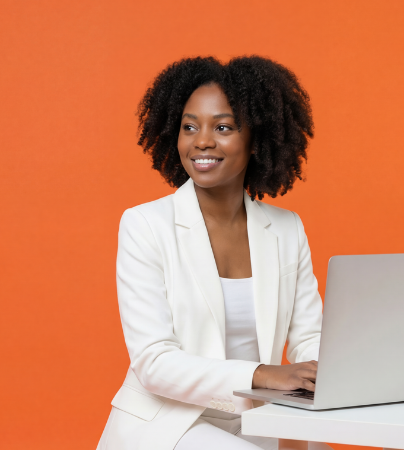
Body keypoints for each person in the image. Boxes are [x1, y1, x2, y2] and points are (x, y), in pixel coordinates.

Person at [97, 56, 330, 450]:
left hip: (257, 418)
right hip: (169, 424)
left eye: (222, 127)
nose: (202, 141)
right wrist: (264, 374)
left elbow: (309, 337)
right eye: (189, 127)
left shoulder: (286, 228)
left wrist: (333, 373)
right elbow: (154, 362)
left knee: (322, 441)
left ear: (256, 139)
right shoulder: (145, 224)